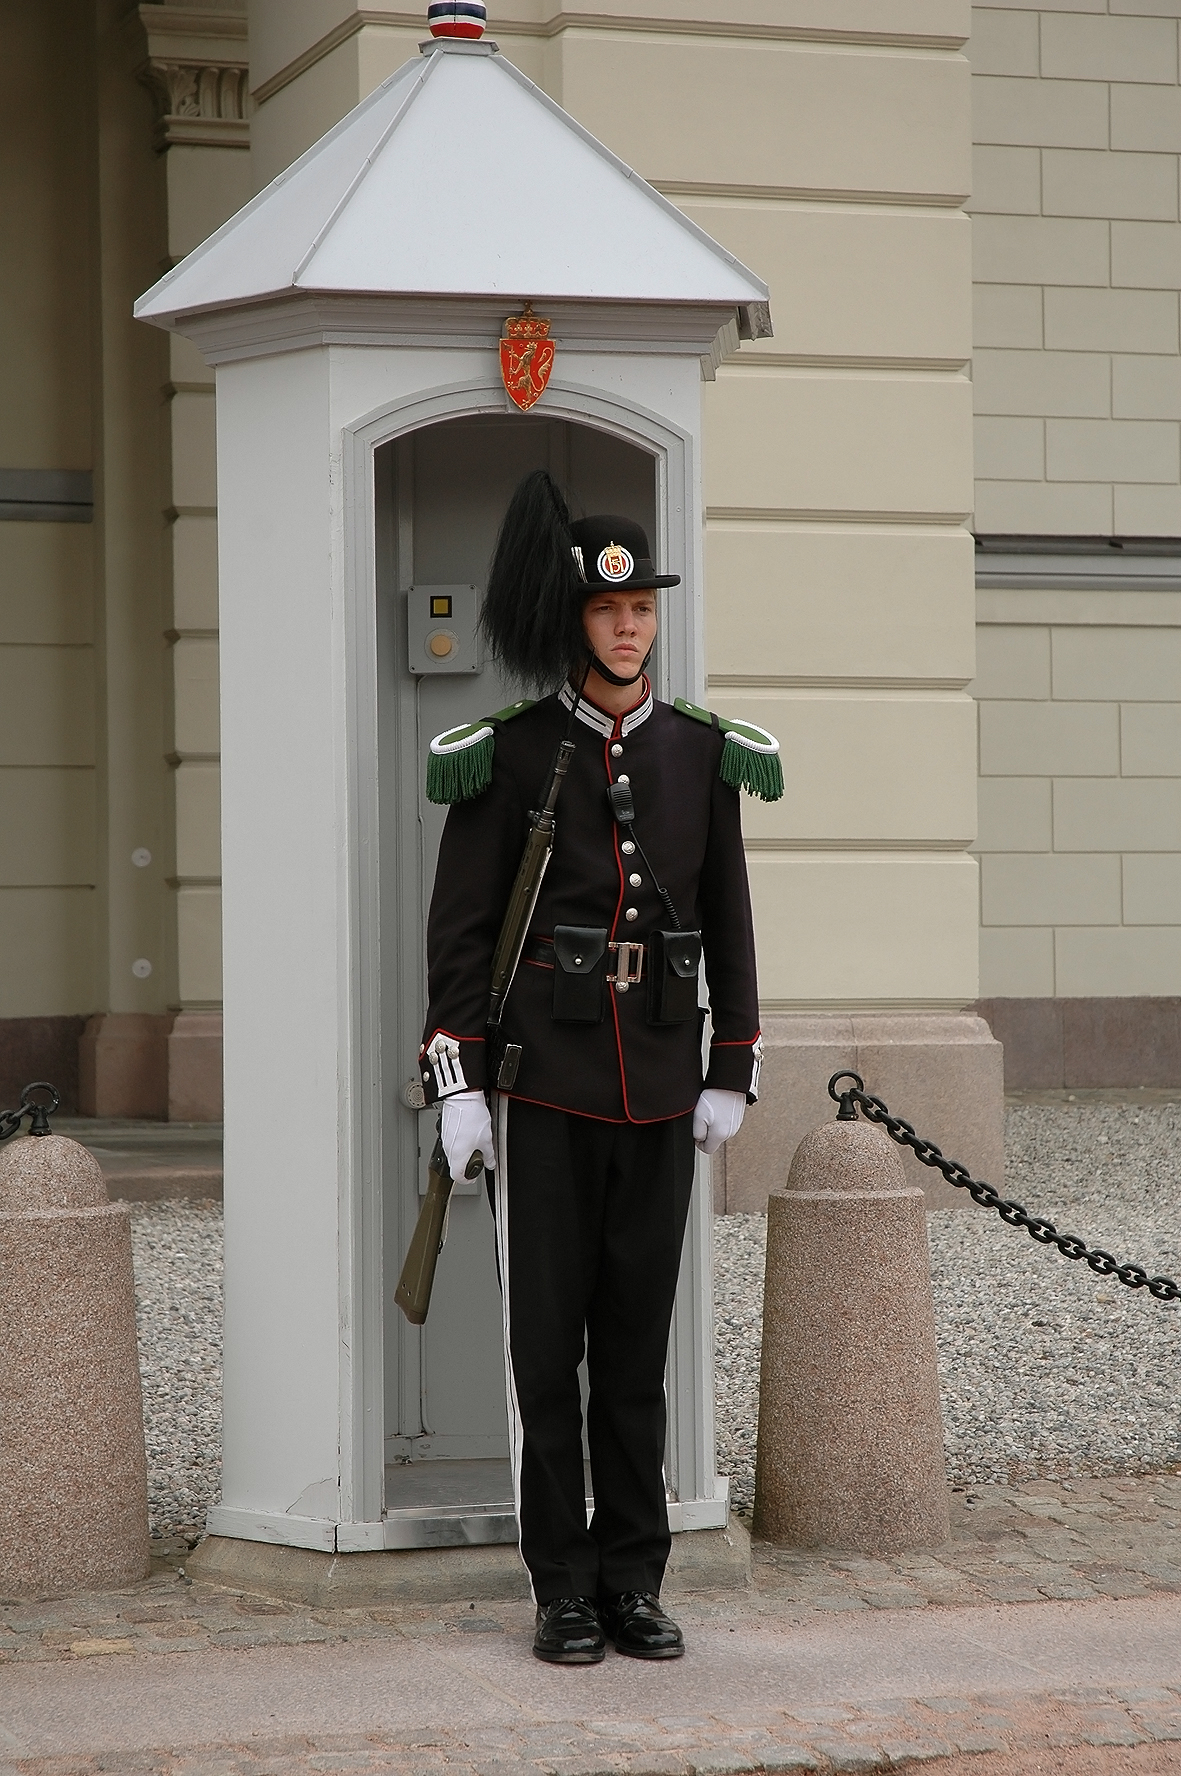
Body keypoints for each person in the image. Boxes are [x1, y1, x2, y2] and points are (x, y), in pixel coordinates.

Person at [417, 469, 781, 1664]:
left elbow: (727, 918)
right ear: (572, 621)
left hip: (660, 1086)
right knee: (545, 1353)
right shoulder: (513, 754)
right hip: (545, 1086)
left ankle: (632, 1578)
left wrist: (731, 1060)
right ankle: (559, 1585)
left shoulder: (700, 752)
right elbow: (461, 934)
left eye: (641, 610)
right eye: (607, 611)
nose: (629, 628)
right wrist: (458, 1084)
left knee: (634, 1350)